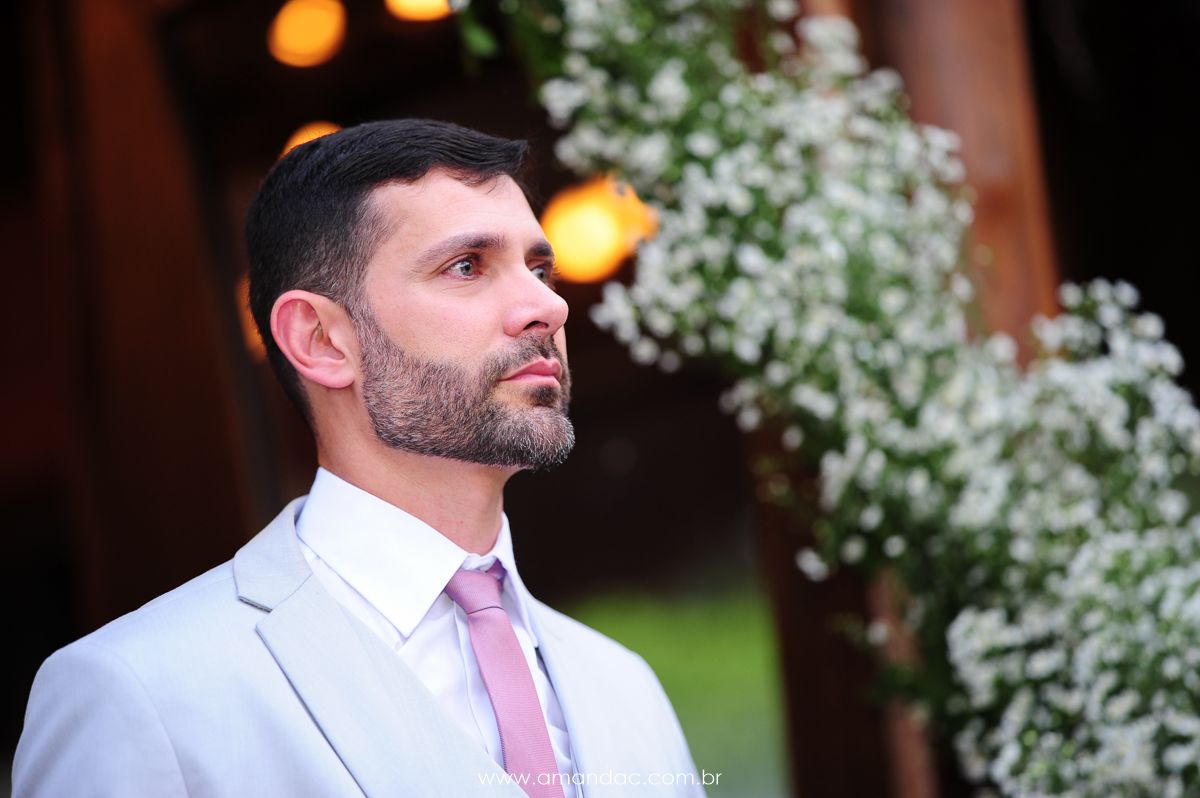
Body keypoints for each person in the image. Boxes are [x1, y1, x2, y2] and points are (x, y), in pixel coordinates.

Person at [12, 119, 705, 797]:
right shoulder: (141, 694)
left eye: (538, 267)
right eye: (466, 266)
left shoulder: (626, 689)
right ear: (320, 340)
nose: (547, 306)